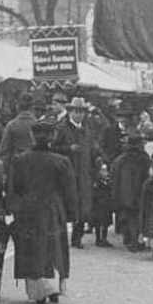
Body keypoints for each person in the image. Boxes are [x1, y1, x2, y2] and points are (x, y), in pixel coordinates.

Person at [6, 117, 74, 304]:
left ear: (32, 137)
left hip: (28, 209)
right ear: (52, 136)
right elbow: (69, 191)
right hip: (53, 209)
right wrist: (71, 213)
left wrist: (13, 209)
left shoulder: (20, 160)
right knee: (53, 248)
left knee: (32, 248)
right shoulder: (62, 161)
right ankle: (52, 285)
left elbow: (15, 188)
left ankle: (38, 289)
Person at [52, 96, 101, 249]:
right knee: (65, 207)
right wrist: (68, 149)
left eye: (81, 112)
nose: (79, 114)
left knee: (83, 208)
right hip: (68, 174)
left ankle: (76, 238)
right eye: (76, 111)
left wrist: (97, 161)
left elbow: (93, 150)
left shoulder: (87, 130)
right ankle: (60, 238)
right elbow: (53, 149)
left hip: (84, 174)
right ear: (70, 112)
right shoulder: (61, 128)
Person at [110, 134, 150, 252]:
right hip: (139, 192)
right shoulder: (144, 158)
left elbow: (114, 176)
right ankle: (134, 241)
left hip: (123, 193)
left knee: (127, 216)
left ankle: (128, 238)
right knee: (136, 218)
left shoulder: (120, 159)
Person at [0, 92, 38, 181]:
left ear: (18, 107)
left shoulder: (11, 125)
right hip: (35, 167)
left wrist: (4, 172)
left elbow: (4, 151)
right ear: (32, 108)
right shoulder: (38, 124)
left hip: (16, 166)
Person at [89, 161, 115, 247]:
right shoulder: (96, 181)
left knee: (106, 223)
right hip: (99, 205)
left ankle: (104, 238)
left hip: (107, 205)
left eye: (106, 170)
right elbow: (94, 193)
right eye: (103, 170)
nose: (105, 172)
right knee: (98, 223)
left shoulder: (109, 181)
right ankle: (98, 239)